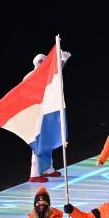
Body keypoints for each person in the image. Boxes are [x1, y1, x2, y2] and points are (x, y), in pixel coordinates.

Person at [26, 51, 70, 182]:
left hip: (46, 112)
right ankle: (35, 174)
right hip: (36, 114)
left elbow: (55, 77)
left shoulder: (45, 75)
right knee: (38, 143)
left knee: (48, 140)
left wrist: (62, 61)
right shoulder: (31, 76)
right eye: (43, 62)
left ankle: (48, 169)